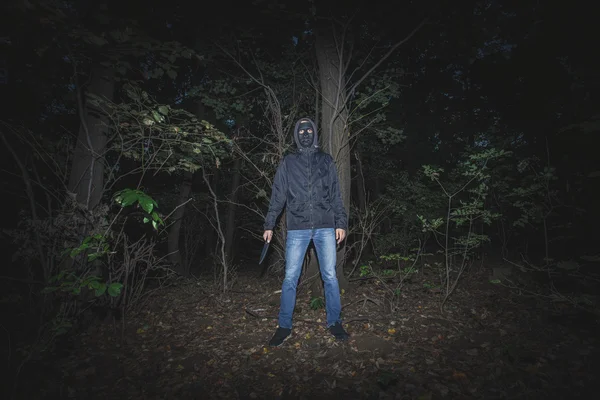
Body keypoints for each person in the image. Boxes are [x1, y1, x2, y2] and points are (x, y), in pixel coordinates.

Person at [263, 117, 350, 347]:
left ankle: (335, 322)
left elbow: (335, 195)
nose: (305, 134)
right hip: (298, 229)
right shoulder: (289, 162)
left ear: (314, 133)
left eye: (308, 130)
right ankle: (283, 326)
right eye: (301, 131)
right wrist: (269, 224)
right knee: (290, 277)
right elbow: (278, 194)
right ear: (295, 135)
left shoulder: (326, 160)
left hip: (325, 226)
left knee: (330, 276)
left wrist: (341, 222)